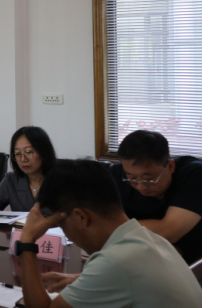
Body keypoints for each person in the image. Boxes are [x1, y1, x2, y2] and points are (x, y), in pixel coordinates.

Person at [17, 160, 202, 308]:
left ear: (81, 217)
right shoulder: (147, 238)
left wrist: (27, 241)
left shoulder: (115, 261)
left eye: (61, 224)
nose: (68, 234)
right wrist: (81, 280)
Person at [110, 129, 202, 264]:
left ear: (170, 166)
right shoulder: (116, 174)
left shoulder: (194, 175)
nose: (141, 187)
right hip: (141, 260)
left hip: (193, 265)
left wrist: (112, 227)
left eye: (149, 179)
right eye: (132, 178)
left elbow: (169, 231)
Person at [0, 126, 57, 217]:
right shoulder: (11, 179)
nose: (23, 159)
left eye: (28, 152)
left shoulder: (61, 180)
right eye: (17, 153)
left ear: (43, 151)